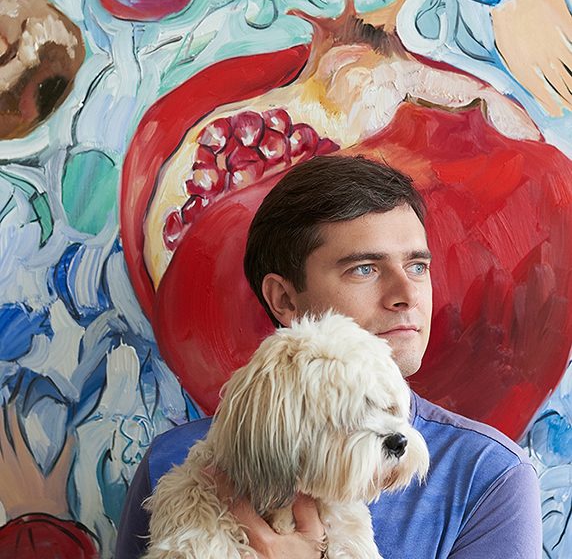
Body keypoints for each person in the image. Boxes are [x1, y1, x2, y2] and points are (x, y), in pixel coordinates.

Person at [115, 155, 542, 559]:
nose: (408, 295)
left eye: (417, 266)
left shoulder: (491, 479)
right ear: (284, 299)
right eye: (364, 268)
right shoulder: (168, 462)